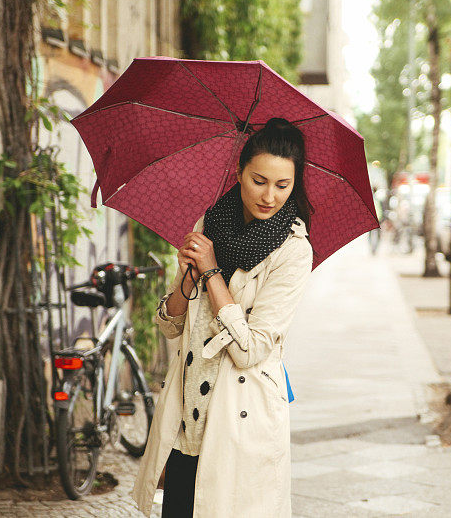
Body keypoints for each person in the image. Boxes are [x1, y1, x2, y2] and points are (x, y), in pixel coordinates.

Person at [131, 117, 315, 518]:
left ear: (294, 184)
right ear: (239, 173)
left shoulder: (293, 251)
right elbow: (169, 325)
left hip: (239, 419)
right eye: (259, 180)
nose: (269, 196)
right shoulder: (208, 224)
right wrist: (187, 276)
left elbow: (252, 349)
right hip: (186, 421)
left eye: (282, 185)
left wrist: (212, 272)